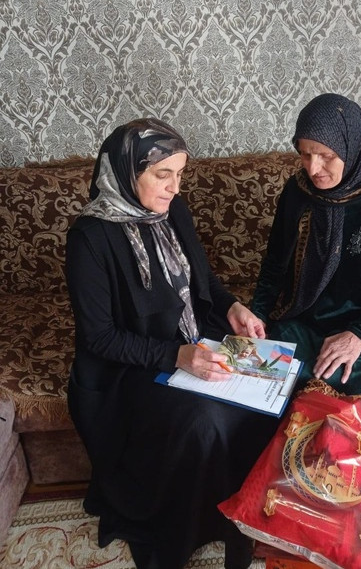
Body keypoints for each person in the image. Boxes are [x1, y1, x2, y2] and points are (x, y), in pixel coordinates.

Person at [65, 118, 279, 569]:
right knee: (205, 422)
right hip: (130, 369)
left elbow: (203, 281)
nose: (175, 188)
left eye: (180, 175)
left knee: (266, 391)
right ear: (128, 171)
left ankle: (243, 517)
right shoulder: (90, 238)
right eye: (164, 175)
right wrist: (176, 356)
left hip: (190, 340)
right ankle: (195, 526)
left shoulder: (172, 211)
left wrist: (233, 307)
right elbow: (100, 338)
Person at [251, 93, 361, 415]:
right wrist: (257, 314)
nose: (314, 168)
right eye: (305, 155)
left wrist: (358, 335)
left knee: (323, 378)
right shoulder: (297, 191)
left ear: (350, 148)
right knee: (268, 370)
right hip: (303, 318)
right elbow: (275, 263)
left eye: (326, 155)